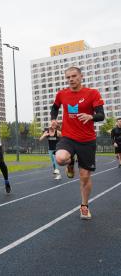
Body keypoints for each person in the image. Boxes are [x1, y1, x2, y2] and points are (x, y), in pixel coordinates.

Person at [51, 66, 105, 220]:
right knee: (60, 158)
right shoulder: (62, 94)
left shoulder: (92, 93)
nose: (71, 79)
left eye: (74, 76)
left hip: (87, 140)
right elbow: (54, 107)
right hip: (68, 137)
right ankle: (69, 162)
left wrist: (91, 117)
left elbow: (101, 115)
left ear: (81, 76)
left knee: (85, 176)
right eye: (68, 77)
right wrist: (53, 119)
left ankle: (84, 206)